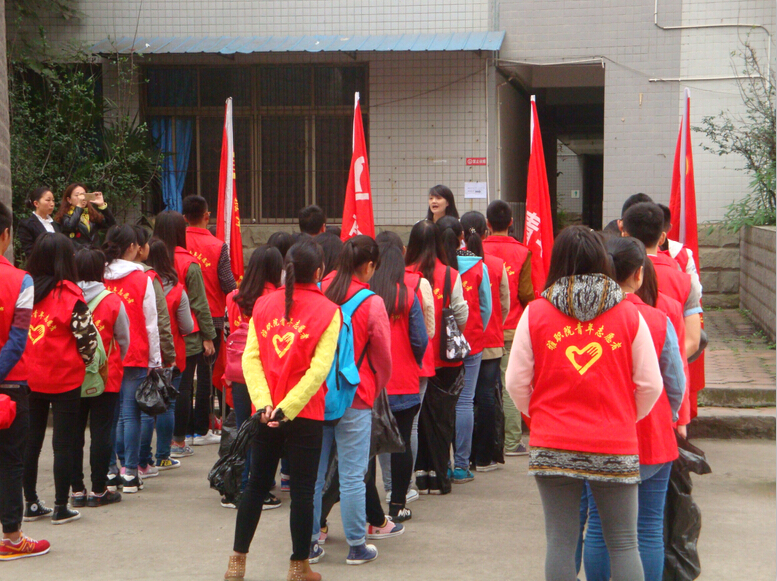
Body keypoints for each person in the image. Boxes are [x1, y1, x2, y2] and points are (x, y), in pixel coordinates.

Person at [505, 225, 663, 581]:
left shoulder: (535, 313)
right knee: (624, 542)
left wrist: (540, 415)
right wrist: (625, 415)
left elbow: (515, 382)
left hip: (552, 440)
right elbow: (651, 384)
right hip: (614, 439)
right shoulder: (629, 314)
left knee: (560, 541)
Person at [224, 238, 340, 581]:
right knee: (303, 491)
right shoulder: (329, 311)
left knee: (256, 485)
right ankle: (298, 567)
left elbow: (251, 359)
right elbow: (319, 370)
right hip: (305, 413)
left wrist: (266, 404)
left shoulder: (263, 304)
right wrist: (287, 408)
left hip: (265, 412)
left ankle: (236, 562)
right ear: (318, 271)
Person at [583, 236, 686, 581]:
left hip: (599, 436)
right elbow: (675, 382)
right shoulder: (657, 319)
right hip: (652, 436)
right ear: (639, 273)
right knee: (648, 528)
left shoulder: (586, 319)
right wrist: (670, 415)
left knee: (599, 526)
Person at [312, 235, 394, 566]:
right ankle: (357, 545)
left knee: (314, 475)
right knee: (352, 475)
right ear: (369, 265)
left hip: (315, 394)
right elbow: (384, 358)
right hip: (356, 395)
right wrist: (375, 387)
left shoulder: (318, 290)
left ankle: (309, 543)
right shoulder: (371, 302)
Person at [23, 233, 99, 524]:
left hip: (29, 376)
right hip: (65, 379)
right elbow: (88, 342)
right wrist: (87, 364)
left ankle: (30, 503)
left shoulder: (25, 291)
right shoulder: (71, 296)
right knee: (63, 444)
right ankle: (60, 506)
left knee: (31, 442)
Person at [622, 202, 702, 423]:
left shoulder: (615, 274)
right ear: (662, 237)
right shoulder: (684, 281)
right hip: (668, 388)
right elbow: (693, 341)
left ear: (624, 234)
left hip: (623, 388)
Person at [0, 202, 50, 559]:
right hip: (12, 385)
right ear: (6, 235)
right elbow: (18, 339)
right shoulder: (22, 281)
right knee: (10, 461)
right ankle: (12, 537)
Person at [405, 220, 468, 495]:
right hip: (445, 357)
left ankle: (419, 475)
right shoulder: (451, 274)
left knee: (416, 421)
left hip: (414, 357)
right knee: (442, 419)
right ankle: (439, 476)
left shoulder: (404, 274)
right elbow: (461, 313)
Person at [375, 230, 435, 506]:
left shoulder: (366, 295)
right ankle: (400, 495)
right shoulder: (408, 295)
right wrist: (414, 359)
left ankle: (386, 487)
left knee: (378, 436)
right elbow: (421, 339)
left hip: (373, 380)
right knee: (405, 434)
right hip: (404, 377)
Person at [223, 244, 283, 510]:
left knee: (241, 431)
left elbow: (227, 332)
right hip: (263, 373)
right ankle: (251, 488)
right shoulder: (275, 299)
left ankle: (233, 485)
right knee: (259, 432)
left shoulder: (234, 297)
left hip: (237, 370)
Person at [103, 225, 161, 494]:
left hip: (106, 353)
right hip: (135, 352)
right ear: (131, 247)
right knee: (131, 414)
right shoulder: (142, 278)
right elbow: (151, 323)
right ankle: (130, 472)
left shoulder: (100, 275)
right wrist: (155, 360)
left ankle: (110, 470)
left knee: (110, 415)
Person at [153, 211, 216, 459]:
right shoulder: (189, 263)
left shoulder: (148, 261)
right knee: (182, 389)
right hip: (185, 337)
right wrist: (209, 336)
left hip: (153, 336)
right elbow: (200, 304)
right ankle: (178, 441)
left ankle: (154, 445)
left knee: (155, 388)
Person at [70, 248, 129, 508]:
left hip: (73, 375)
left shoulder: (68, 300)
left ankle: (76, 490)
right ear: (100, 270)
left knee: (73, 434)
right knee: (102, 433)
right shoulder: (113, 301)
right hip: (106, 376)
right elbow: (124, 339)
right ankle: (98, 489)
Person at [437, 216, 492, 484]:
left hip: (440, 345)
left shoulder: (433, 267)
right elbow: (486, 307)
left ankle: (442, 465)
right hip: (471, 341)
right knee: (465, 401)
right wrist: (475, 328)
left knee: (441, 404)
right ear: (462, 237)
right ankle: (461, 465)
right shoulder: (478, 265)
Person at [182, 195, 237, 445]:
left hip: (181, 317)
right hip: (211, 318)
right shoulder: (218, 246)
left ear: (184, 217)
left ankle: (182, 430)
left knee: (184, 376)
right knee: (205, 374)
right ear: (207, 216)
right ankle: (201, 429)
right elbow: (228, 283)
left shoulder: (177, 243)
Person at [139, 238, 195, 473]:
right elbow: (188, 326)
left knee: (142, 408)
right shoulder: (178, 289)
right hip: (172, 356)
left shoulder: (137, 284)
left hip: (144, 354)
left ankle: (141, 459)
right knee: (167, 405)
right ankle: (163, 455)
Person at [482, 200, 533, 456]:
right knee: (509, 383)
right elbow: (526, 293)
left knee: (482, 388)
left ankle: (485, 443)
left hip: (482, 330)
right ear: (511, 222)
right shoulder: (523, 252)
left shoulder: (476, 249)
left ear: (487, 224)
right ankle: (512, 442)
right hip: (512, 327)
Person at [462, 211, 510, 472]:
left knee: (463, 399)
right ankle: (484, 457)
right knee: (487, 396)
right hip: (490, 338)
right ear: (485, 232)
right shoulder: (496, 264)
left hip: (461, 341)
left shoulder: (453, 263)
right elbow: (504, 304)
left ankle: (463, 456)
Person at [54, 183, 115, 247]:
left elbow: (112, 225)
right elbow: (70, 226)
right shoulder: (65, 216)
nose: (82, 198)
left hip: (94, 252)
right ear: (69, 200)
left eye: (84, 195)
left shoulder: (91, 214)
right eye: (77, 195)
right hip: (77, 252)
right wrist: (79, 206)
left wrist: (102, 205)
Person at [16, 186, 61, 258]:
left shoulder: (56, 224)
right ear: (36, 203)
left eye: (53, 200)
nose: (52, 204)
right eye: (48, 200)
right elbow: (29, 252)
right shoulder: (27, 225)